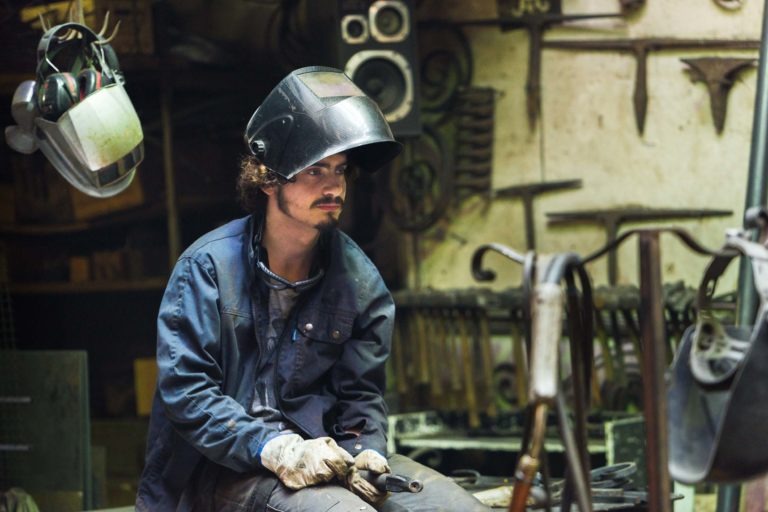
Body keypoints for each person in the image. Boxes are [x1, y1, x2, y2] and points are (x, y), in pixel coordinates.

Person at [135, 66, 490, 511]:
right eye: (315, 169)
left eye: (340, 170)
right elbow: (188, 395)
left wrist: (367, 450)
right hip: (225, 468)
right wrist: (279, 450)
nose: (333, 185)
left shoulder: (360, 282)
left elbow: (361, 395)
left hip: (327, 460)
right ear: (267, 178)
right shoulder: (206, 269)